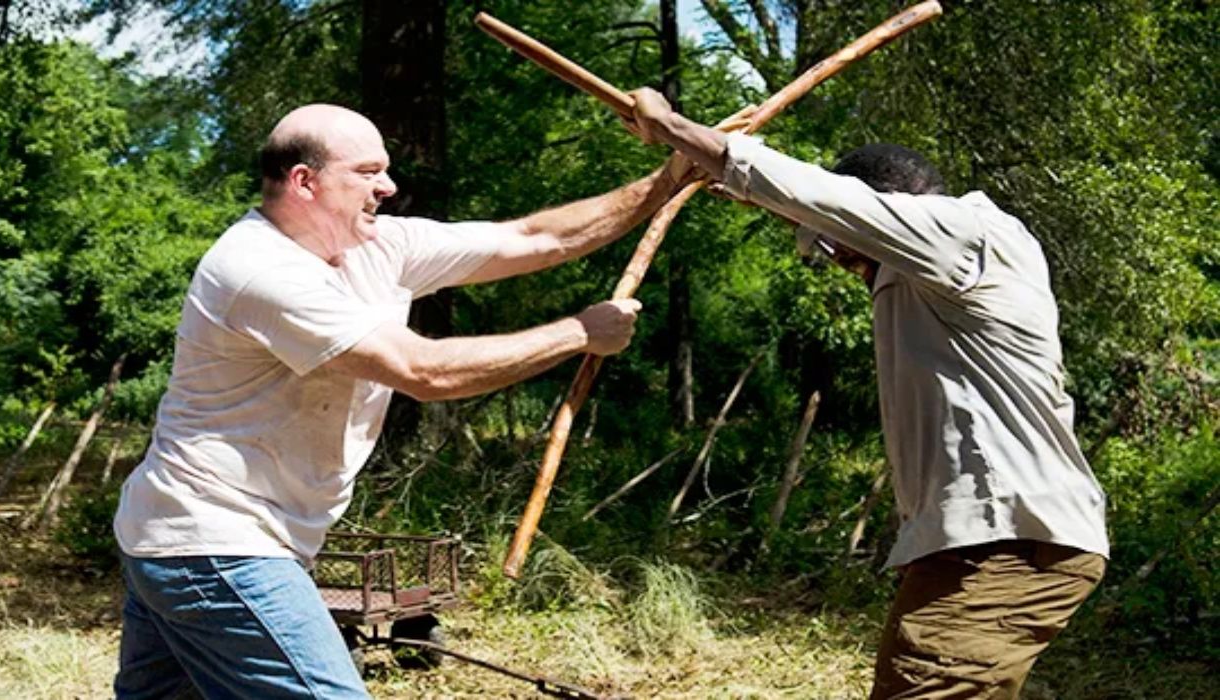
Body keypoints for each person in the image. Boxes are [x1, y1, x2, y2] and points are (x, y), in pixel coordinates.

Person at [111, 103, 689, 699]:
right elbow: (422, 370)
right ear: (305, 182)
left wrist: (669, 177)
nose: (388, 186)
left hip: (178, 535)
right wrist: (580, 333)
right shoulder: (260, 270)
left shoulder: (379, 247)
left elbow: (535, 237)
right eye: (368, 171)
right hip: (218, 541)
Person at [626, 88, 1109, 699]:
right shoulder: (931, 271)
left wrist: (674, 127)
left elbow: (834, 206)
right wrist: (729, 172)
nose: (839, 260)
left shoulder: (966, 232)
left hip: (1008, 542)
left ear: (888, 208)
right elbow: (832, 215)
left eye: (839, 245)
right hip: (991, 545)